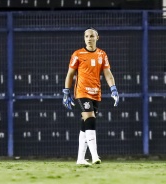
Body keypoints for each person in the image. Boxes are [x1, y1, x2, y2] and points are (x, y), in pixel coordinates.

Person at [62, 27, 119, 165]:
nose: (89, 38)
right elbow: (70, 74)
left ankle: (80, 159)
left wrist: (113, 89)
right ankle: (95, 156)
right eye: (86, 36)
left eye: (91, 36)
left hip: (96, 93)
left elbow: (107, 73)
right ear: (84, 38)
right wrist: (66, 92)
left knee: (84, 124)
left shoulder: (102, 55)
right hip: (82, 92)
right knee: (90, 118)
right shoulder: (77, 54)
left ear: (97, 38)